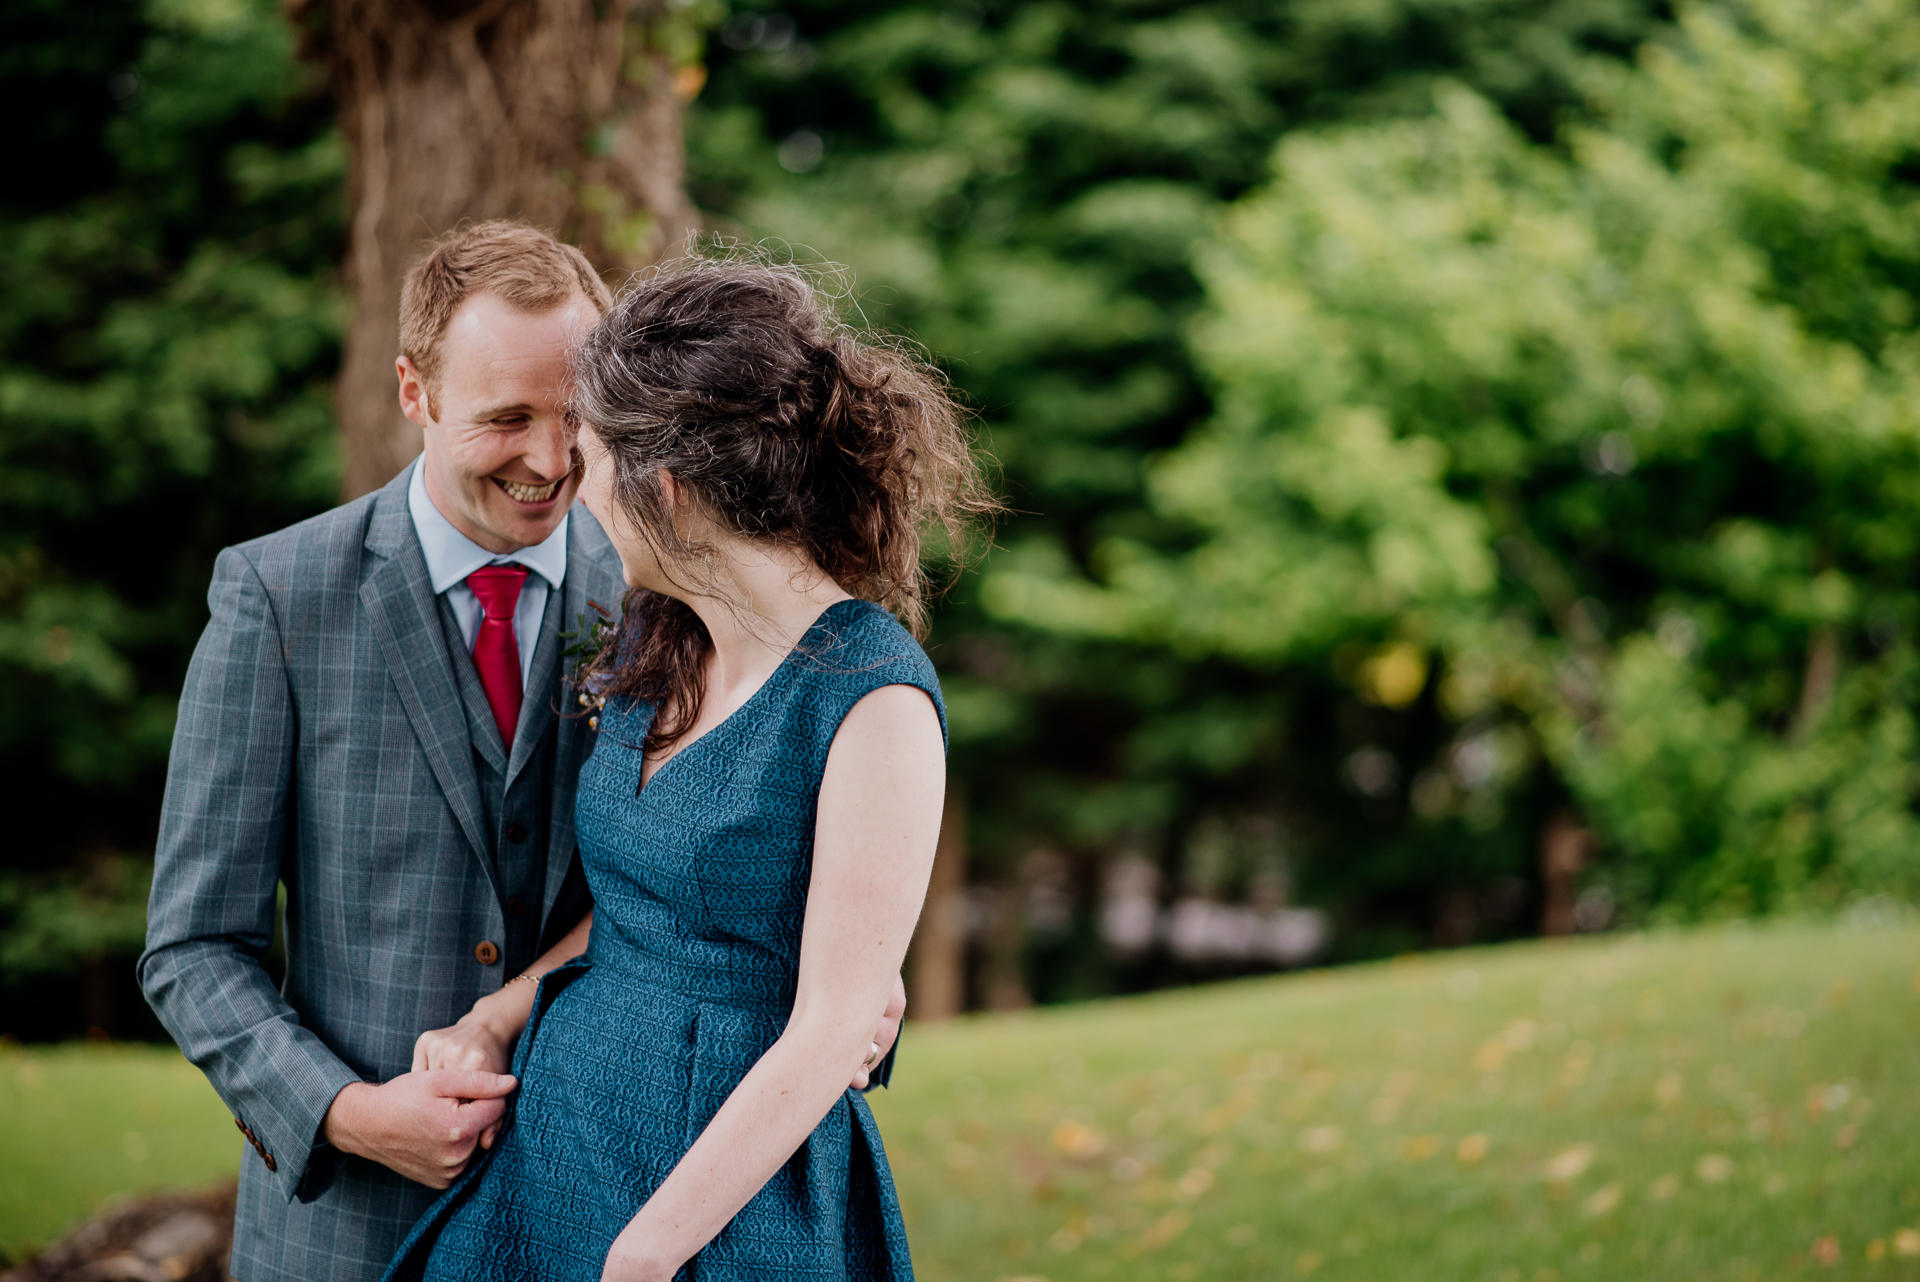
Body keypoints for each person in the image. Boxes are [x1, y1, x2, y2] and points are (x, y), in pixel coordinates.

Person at [138, 223, 904, 1282]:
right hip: (345, 1225)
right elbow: (191, 947)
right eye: (507, 419)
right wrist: (351, 1114)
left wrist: (850, 953)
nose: (550, 462)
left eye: (575, 419)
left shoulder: (668, 587)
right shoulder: (278, 600)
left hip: (599, 1187)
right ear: (416, 393)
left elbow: (707, 865)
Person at [382, 256, 994, 1282]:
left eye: (597, 460)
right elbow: (631, 911)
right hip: (561, 1144)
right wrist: (499, 1015)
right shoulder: (659, 639)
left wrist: (650, 1252)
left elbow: (836, 1022)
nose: (580, 490)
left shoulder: (871, 694)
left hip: (718, 1199)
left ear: (668, 486)